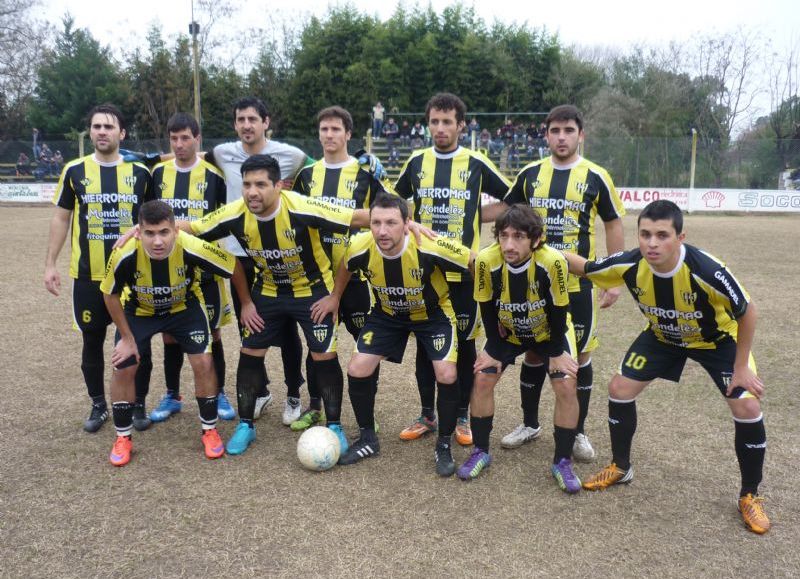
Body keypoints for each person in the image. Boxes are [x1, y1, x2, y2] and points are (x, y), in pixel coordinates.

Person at [185, 155, 426, 456]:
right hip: (268, 291)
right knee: (249, 353)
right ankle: (245, 425)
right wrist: (142, 230)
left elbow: (353, 217)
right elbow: (192, 228)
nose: (252, 192)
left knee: (323, 355)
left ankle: (335, 425)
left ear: (278, 186)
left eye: (261, 184)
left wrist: (406, 224)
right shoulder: (235, 213)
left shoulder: (301, 206)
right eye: (247, 184)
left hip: (312, 290)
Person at [564, 199, 770, 534]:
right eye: (645, 234)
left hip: (717, 341)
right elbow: (586, 267)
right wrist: (539, 248)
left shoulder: (707, 270)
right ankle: (621, 466)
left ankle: (750, 495)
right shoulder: (630, 263)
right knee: (619, 388)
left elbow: (747, 311)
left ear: (680, 237)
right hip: (663, 336)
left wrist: (741, 366)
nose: (652, 243)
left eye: (662, 235)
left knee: (746, 406)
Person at [482, 105, 625, 462]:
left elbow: (612, 223)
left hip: (578, 286)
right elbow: (505, 210)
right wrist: (472, 210)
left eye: (568, 130)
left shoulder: (596, 176)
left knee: (581, 356)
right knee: (534, 350)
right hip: (536, 282)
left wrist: (615, 276)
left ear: (581, 135)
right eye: (555, 130)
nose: (562, 137)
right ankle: (530, 424)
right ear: (546, 135)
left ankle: (577, 432)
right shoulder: (531, 174)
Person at [313, 193, 473, 476]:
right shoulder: (360, 245)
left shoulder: (430, 245)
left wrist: (489, 299)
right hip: (387, 315)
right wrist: (335, 297)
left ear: (407, 224)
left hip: (432, 316)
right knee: (358, 368)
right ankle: (367, 439)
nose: (382, 231)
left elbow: (474, 261)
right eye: (376, 223)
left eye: (391, 223)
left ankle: (443, 444)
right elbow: (345, 267)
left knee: (446, 374)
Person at [394, 93, 511, 447]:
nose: (440, 128)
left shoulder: (476, 162)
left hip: (465, 272)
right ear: (428, 124)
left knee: (464, 342)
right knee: (425, 344)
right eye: (434, 121)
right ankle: (427, 414)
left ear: (461, 125)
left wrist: (476, 214)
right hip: (425, 272)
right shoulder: (416, 163)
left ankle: (461, 414)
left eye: (448, 122)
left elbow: (512, 198)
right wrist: (410, 225)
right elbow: (395, 205)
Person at [100, 200, 242, 466]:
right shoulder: (123, 253)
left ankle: (209, 430)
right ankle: (122, 437)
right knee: (123, 365)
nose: (157, 241)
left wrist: (246, 304)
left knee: (203, 360)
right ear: (138, 232)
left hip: (184, 308)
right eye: (150, 233)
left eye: (164, 232)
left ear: (175, 231)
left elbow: (233, 266)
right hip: (140, 311)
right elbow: (110, 294)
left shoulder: (192, 245)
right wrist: (127, 339)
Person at [44, 103, 152, 433]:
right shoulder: (74, 171)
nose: (101, 131)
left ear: (122, 133)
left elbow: (155, 220)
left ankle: (137, 403)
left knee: (136, 342)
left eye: (108, 126)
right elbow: (62, 218)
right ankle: (98, 404)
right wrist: (50, 264)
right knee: (92, 341)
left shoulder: (141, 174)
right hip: (88, 276)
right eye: (96, 126)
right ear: (90, 132)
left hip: (132, 276)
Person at [461, 204, 581, 492]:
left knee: (565, 384)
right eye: (503, 236)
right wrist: (493, 344)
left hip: (548, 331)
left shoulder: (552, 262)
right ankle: (480, 451)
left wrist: (554, 352)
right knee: (482, 377)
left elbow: (560, 308)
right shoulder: (486, 261)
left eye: (518, 237)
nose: (509, 245)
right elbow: (486, 304)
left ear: (536, 239)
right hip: (509, 332)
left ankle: (562, 461)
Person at [207, 97, 310, 423]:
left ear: (266, 122)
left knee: (288, 331)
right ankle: (262, 389)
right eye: (241, 119)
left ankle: (294, 391)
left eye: (253, 119)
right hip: (239, 256)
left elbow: (313, 169)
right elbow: (192, 157)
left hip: (277, 252)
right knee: (248, 326)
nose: (246, 125)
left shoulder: (290, 155)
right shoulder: (224, 153)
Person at [291, 106, 393, 431]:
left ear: (348, 134)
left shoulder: (366, 174)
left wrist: (382, 177)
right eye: (324, 129)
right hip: (317, 278)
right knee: (317, 343)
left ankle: (367, 411)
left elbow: (391, 210)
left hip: (358, 277)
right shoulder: (306, 177)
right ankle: (315, 405)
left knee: (367, 344)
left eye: (336, 129)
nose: (330, 135)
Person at [143, 112, 235, 423]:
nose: (180, 144)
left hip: (205, 270)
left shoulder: (215, 177)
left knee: (215, 333)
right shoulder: (157, 175)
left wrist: (193, 229)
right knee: (170, 336)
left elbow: (224, 222)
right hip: (167, 272)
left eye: (186, 138)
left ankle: (219, 392)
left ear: (198, 139)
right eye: (174, 138)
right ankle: (172, 395)